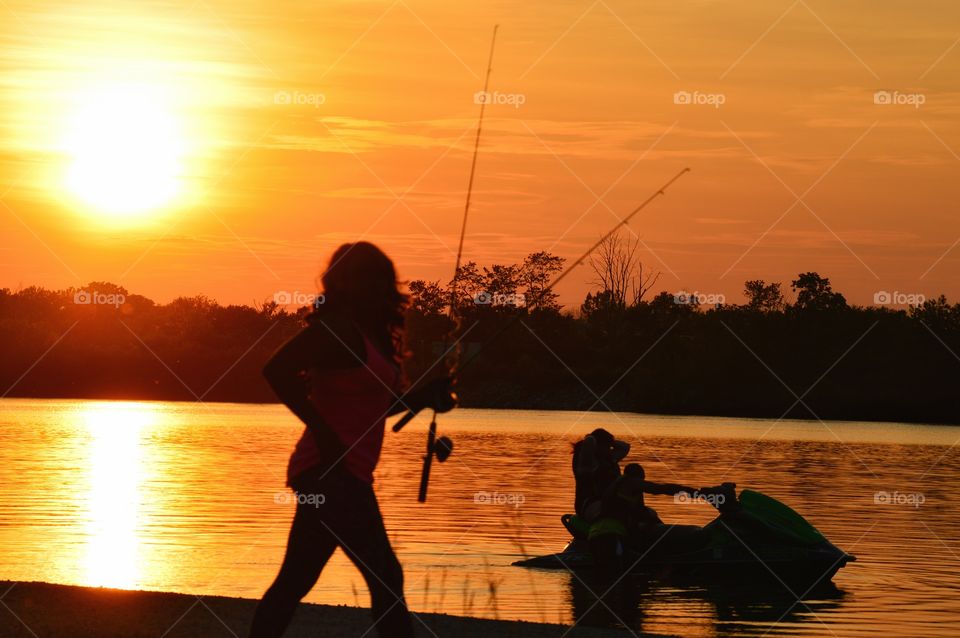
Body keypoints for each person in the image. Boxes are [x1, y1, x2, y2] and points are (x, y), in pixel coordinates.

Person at [249, 242, 455, 638]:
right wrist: (324, 431)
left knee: (294, 582)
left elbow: (374, 408)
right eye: (362, 277)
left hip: (345, 475)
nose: (372, 286)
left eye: (378, 278)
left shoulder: (370, 336)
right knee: (386, 578)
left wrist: (423, 398)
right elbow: (275, 369)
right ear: (341, 282)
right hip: (329, 474)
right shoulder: (337, 330)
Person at [571, 428, 630, 521]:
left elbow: (625, 447)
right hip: (589, 504)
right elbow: (589, 441)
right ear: (596, 445)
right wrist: (592, 437)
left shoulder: (608, 458)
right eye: (606, 446)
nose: (609, 448)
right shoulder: (586, 463)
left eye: (609, 446)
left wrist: (610, 442)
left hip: (609, 502)